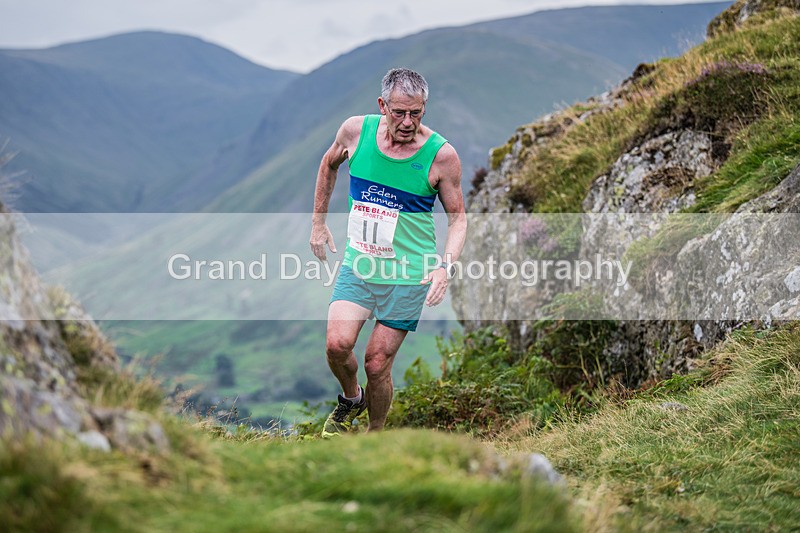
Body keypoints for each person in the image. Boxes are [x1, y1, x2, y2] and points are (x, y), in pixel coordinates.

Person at [310, 68, 466, 437]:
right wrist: (318, 223)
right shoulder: (354, 132)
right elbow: (327, 165)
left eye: (417, 113)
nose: (408, 122)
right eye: (399, 112)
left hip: (409, 275)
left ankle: (375, 436)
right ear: (382, 106)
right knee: (337, 345)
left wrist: (445, 267)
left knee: (377, 363)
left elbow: (458, 219)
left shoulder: (441, 156)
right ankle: (351, 399)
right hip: (361, 264)